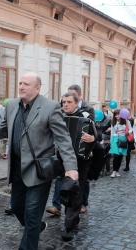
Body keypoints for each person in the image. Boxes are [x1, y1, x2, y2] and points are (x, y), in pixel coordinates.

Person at [0, 72, 79, 250]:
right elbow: (1, 130)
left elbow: (63, 139)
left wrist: (71, 168)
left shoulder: (50, 107)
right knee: (17, 207)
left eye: (26, 84)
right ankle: (36, 228)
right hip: (17, 168)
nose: (21, 87)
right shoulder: (11, 105)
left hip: (39, 169)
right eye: (20, 83)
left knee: (32, 214)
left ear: (37, 88)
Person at [53, 92, 96, 241]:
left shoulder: (86, 118)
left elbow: (98, 136)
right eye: (63, 101)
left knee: (76, 190)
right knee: (64, 188)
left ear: (76, 103)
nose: (65, 104)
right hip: (62, 159)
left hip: (81, 161)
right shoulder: (57, 117)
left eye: (69, 102)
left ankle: (69, 225)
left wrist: (93, 138)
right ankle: (72, 217)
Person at [109, 109, 133, 177]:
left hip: (123, 139)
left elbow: (131, 129)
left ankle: (117, 171)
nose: (117, 116)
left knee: (120, 156)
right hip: (115, 139)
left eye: (118, 114)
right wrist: (111, 141)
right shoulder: (113, 122)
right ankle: (114, 171)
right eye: (116, 115)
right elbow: (112, 132)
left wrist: (128, 132)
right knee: (116, 155)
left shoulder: (126, 121)